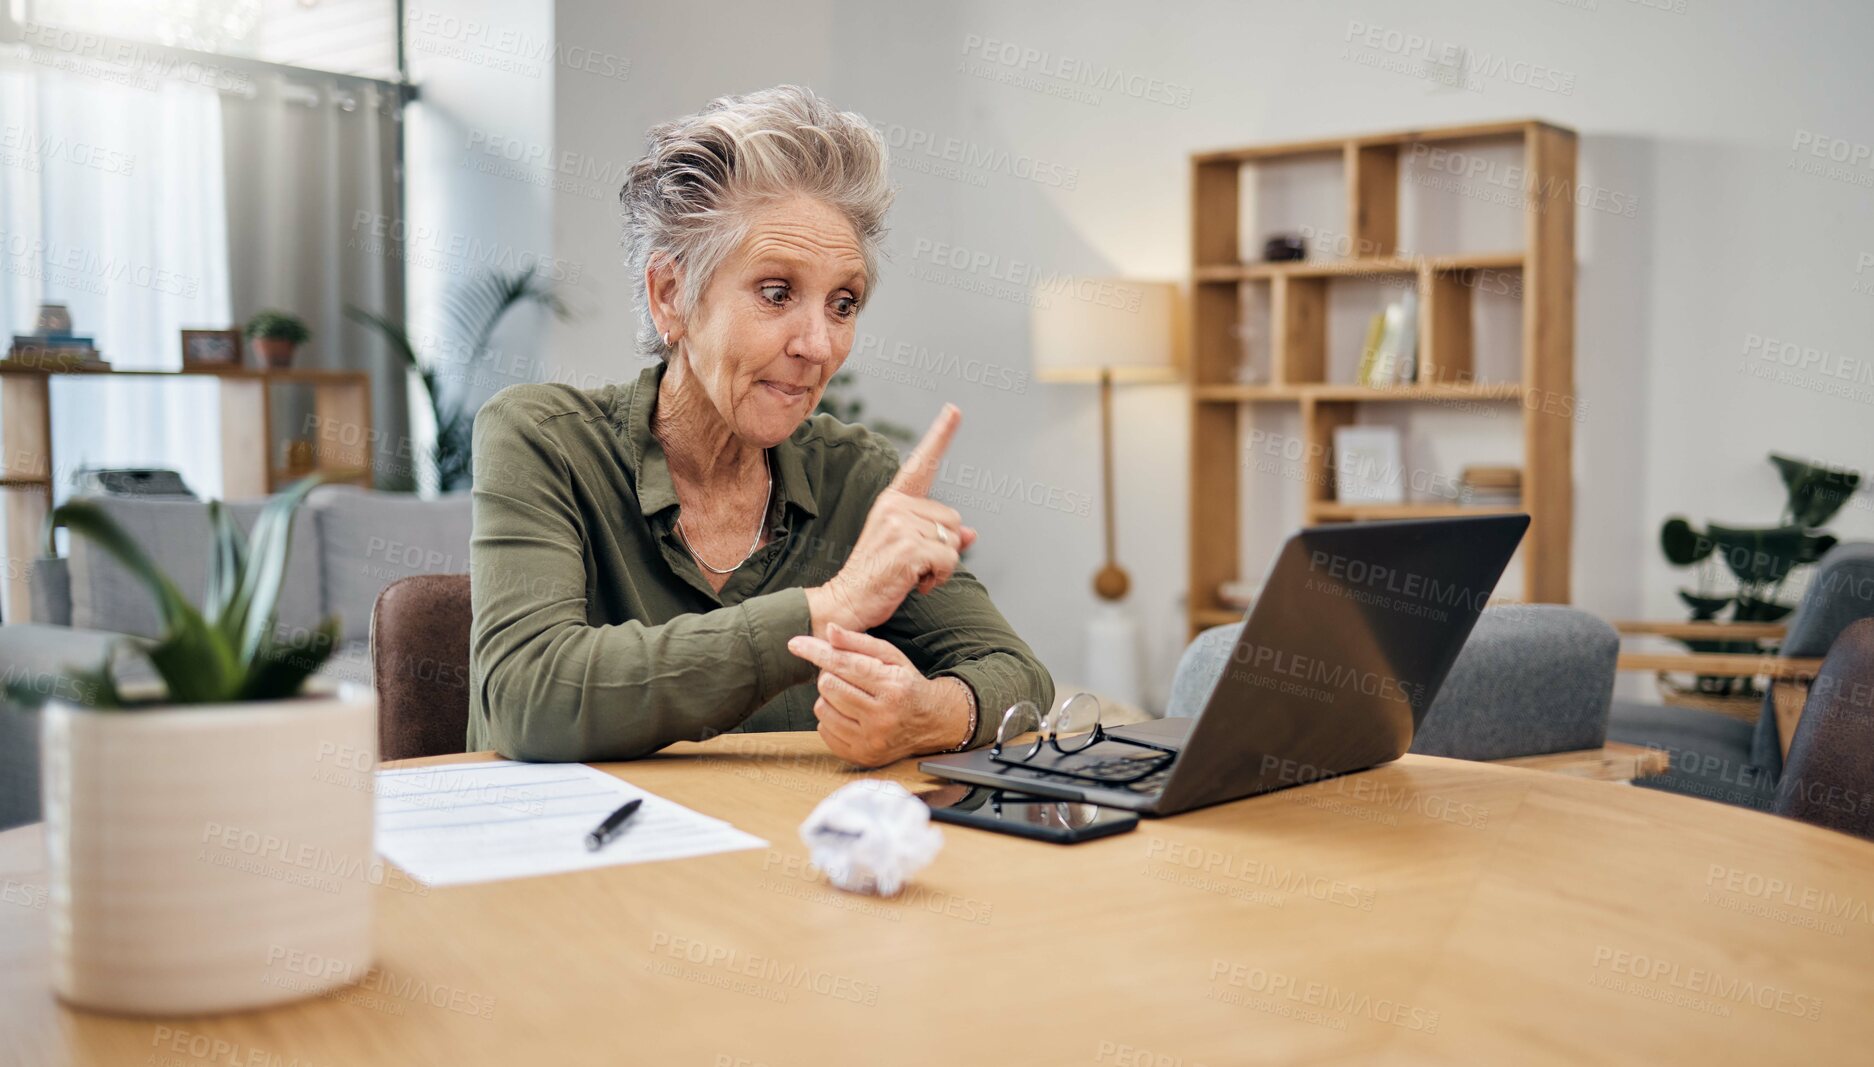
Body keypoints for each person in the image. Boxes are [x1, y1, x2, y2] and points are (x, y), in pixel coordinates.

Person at [466, 85, 1052, 766]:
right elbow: (528, 695)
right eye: (777, 293)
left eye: (843, 303)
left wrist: (928, 713)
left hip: (785, 862)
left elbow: (1018, 675)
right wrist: (826, 609)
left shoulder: (852, 474)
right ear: (671, 295)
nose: (820, 343)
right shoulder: (544, 439)